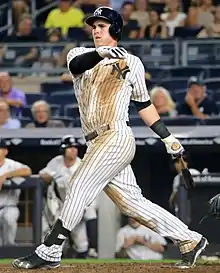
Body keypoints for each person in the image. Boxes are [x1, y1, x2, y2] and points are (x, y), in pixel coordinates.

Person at [12, 6, 208, 270]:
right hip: (95, 140)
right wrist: (103, 52)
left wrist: (167, 137)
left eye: (102, 26)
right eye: (94, 26)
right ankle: (190, 239)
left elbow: (144, 105)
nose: (95, 30)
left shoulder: (132, 62)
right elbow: (76, 65)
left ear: (114, 29)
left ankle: (50, 249)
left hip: (116, 135)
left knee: (78, 185)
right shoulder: (80, 54)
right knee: (133, 204)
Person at [39, 135, 98, 258]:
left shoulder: (82, 164)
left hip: (81, 202)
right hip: (61, 203)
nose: (73, 150)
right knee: (55, 236)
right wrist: (53, 177)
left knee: (85, 228)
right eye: (70, 148)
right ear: (63, 150)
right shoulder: (56, 162)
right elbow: (42, 174)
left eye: (75, 147)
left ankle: (93, 249)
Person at [0, 138, 32, 246]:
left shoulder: (11, 164)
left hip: (9, 206)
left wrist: (5, 175)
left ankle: (9, 249)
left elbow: (27, 170)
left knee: (9, 218)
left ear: (5, 151)